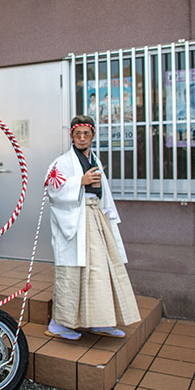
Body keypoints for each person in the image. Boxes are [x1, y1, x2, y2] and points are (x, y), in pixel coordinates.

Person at [45, 115, 140, 341]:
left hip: (95, 216)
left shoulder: (94, 159)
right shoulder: (62, 162)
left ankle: (102, 320)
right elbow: (52, 188)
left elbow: (104, 190)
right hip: (76, 220)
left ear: (93, 136)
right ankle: (59, 323)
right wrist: (80, 182)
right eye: (77, 134)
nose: (82, 138)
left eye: (86, 134)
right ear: (71, 136)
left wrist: (108, 213)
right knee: (72, 274)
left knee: (101, 270)